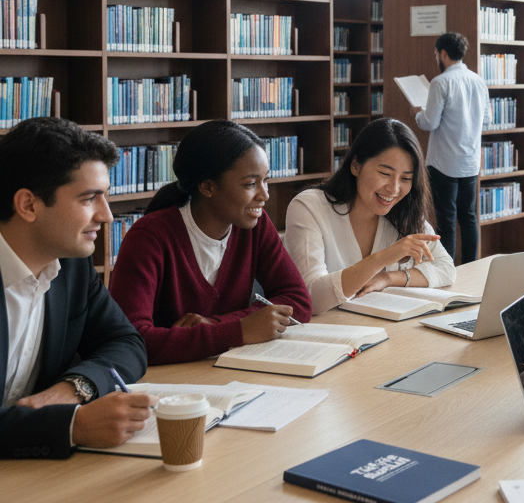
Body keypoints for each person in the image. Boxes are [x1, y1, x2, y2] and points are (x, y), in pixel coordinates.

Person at [0, 117, 156, 458]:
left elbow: (125, 342)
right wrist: (72, 425)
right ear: (28, 205)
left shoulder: (71, 264)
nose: (107, 216)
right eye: (89, 199)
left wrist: (74, 389)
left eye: (106, 197)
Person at [109, 120, 312, 365]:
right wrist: (239, 331)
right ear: (207, 186)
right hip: (166, 383)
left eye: (265, 180)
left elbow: (298, 301)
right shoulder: (149, 237)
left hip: (222, 369)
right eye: (250, 184)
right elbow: (131, 341)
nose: (264, 195)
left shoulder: (255, 225)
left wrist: (218, 325)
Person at [285, 118, 456, 315]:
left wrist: (388, 278)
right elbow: (312, 296)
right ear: (356, 165)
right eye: (385, 173)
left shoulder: (404, 213)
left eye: (406, 179)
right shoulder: (309, 207)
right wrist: (383, 258)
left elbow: (446, 268)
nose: (394, 189)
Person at [412, 31, 490, 263]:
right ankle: (471, 264)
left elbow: (430, 122)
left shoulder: (441, 81)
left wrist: (418, 114)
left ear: (443, 53)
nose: (437, 57)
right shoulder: (478, 80)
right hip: (470, 161)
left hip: (444, 162)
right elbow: (487, 120)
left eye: (437, 54)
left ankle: (446, 268)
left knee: (446, 218)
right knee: (468, 217)